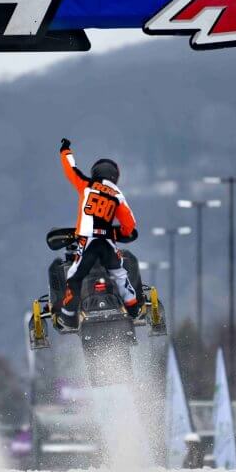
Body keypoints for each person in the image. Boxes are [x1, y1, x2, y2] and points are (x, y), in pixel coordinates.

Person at [56, 138, 140, 329]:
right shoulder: (117, 195)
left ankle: (68, 316)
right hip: (107, 241)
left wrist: (65, 150)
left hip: (88, 240)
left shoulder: (86, 184)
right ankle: (133, 308)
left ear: (95, 172)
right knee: (120, 274)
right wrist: (123, 232)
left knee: (74, 276)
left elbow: (71, 170)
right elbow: (129, 222)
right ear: (115, 176)